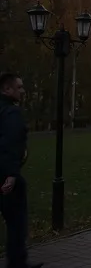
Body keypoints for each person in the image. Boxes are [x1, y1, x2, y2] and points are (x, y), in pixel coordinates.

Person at [0, 73, 42, 268]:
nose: (22, 91)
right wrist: (11, 174)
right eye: (19, 87)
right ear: (6, 90)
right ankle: (17, 263)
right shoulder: (11, 113)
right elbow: (11, 144)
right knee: (16, 222)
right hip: (7, 176)